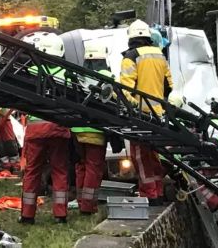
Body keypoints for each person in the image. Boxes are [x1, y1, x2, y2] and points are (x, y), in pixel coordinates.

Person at [120, 19, 173, 205]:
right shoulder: (160, 55)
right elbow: (168, 87)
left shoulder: (131, 56)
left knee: (140, 157)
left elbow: (125, 90)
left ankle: (149, 194)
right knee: (153, 154)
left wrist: (133, 107)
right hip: (157, 115)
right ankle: (157, 191)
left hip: (140, 116)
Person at [21, 33, 71, 224]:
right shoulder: (66, 73)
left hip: (35, 130)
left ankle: (27, 215)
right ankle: (60, 214)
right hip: (58, 128)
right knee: (60, 170)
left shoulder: (32, 71)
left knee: (32, 171)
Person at [71, 40, 112, 214]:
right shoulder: (106, 76)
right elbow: (113, 99)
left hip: (76, 128)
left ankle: (81, 201)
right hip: (95, 128)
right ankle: (89, 206)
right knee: (94, 167)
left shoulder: (78, 74)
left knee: (81, 165)